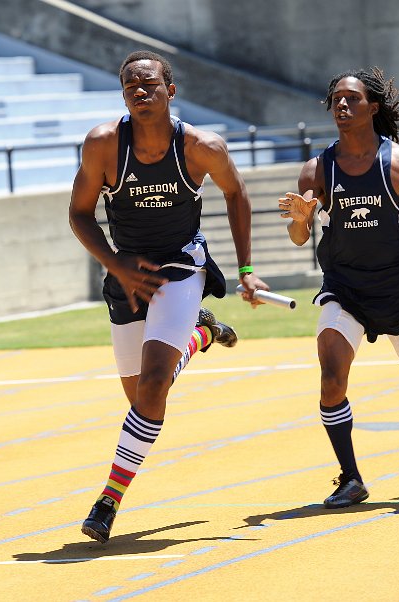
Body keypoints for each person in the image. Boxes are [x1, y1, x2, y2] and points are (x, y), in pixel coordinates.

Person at [70, 50, 269, 543]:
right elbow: (79, 214)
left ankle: (108, 502)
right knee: (141, 399)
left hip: (181, 267)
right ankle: (201, 333)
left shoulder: (201, 146)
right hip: (129, 275)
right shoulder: (103, 145)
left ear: (170, 90)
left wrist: (246, 270)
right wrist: (115, 264)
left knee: (154, 386)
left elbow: (236, 192)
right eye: (131, 85)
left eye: (150, 83)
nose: (141, 90)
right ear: (123, 95)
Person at [278, 67, 399, 509]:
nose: (341, 105)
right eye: (335, 99)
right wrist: (302, 221)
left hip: (397, 290)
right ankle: (351, 477)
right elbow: (301, 237)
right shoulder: (317, 169)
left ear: (372, 108)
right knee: (330, 377)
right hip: (345, 289)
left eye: (352, 99)